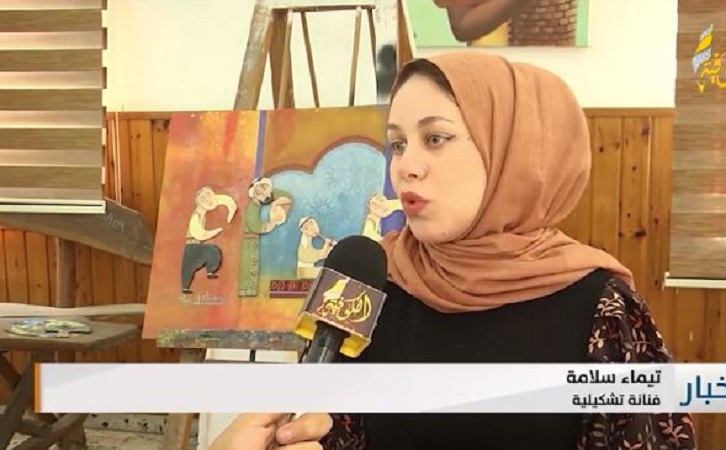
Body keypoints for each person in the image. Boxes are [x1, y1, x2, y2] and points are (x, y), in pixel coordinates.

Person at [210, 52, 698, 449]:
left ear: (516, 152)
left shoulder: (603, 309)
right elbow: (329, 430)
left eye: (435, 138)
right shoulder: (368, 282)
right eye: (398, 144)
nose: (406, 167)